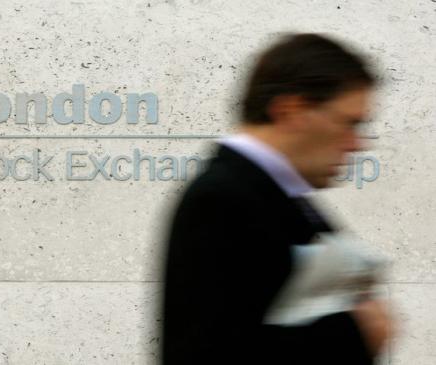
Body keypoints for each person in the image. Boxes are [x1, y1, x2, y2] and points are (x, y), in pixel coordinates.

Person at [161, 33, 393, 364]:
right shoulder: (221, 200)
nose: (357, 144)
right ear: (291, 111)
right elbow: (207, 353)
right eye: (349, 123)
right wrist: (355, 332)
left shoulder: (276, 193)